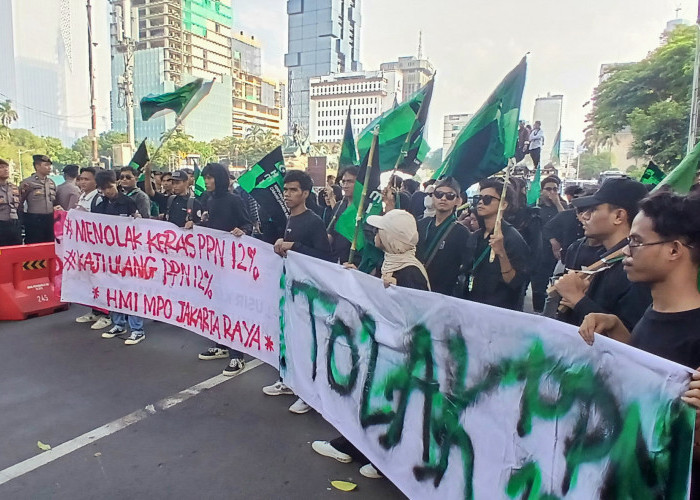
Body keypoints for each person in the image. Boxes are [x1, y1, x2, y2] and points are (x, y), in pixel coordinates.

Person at [577, 191, 700, 496]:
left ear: (674, 250)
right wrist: (620, 334)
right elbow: (655, 374)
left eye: (637, 242)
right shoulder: (655, 311)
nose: (625, 252)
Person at [313, 208, 430, 480]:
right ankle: (360, 448)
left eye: (380, 230)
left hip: (400, 355)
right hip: (387, 351)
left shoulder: (408, 273)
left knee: (384, 405)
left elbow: (417, 314)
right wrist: (361, 279)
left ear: (391, 238)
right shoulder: (395, 264)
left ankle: (379, 457)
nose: (375, 234)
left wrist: (393, 291)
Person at [263, 170, 333, 415]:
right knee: (290, 339)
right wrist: (280, 246)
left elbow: (326, 257)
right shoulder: (290, 218)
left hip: (309, 293)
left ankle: (308, 393)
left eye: (293, 190)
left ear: (305, 193)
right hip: (291, 289)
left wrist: (296, 247)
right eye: (285, 190)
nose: (288, 194)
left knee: (307, 344)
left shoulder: (313, 221)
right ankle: (289, 381)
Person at [554, 177, 651, 330]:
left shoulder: (634, 266)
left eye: (593, 210)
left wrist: (578, 299)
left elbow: (630, 336)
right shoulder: (600, 256)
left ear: (618, 216)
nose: (584, 216)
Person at [195, 163, 253, 376]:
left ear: (219, 178)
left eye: (210, 178)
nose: (207, 182)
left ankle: (237, 356)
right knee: (216, 305)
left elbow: (249, 224)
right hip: (214, 262)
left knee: (232, 309)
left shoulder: (234, 200)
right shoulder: (208, 200)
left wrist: (242, 230)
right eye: (205, 178)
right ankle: (220, 344)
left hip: (232, 264)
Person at [92, 170, 146, 345]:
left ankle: (137, 329)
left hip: (129, 255)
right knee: (113, 290)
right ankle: (118, 323)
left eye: (110, 187)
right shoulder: (101, 204)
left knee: (131, 291)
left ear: (116, 183)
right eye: (104, 189)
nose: (108, 191)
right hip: (110, 255)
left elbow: (142, 225)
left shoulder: (129, 202)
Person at [465, 178, 530, 310]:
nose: (481, 202)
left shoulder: (513, 238)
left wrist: (501, 253)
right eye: (478, 198)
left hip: (498, 311)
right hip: (471, 306)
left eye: (488, 199)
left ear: (504, 204)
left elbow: (514, 282)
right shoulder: (476, 236)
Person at [416, 177, 470, 296]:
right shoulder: (421, 224)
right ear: (433, 197)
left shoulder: (462, 232)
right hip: (416, 288)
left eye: (450, 195)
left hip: (442, 294)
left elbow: (466, 267)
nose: (443, 198)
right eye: (439, 194)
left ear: (458, 201)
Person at [74, 166, 112, 330]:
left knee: (102, 279)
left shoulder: (97, 198)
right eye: (81, 179)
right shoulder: (82, 196)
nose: (82, 182)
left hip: (99, 247)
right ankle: (95, 310)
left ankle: (107, 314)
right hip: (86, 246)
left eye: (86, 179)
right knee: (90, 279)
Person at [531, 175, 565, 312]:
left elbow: (567, 221)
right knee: (539, 288)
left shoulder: (562, 207)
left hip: (558, 256)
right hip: (541, 255)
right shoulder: (537, 209)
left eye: (555, 189)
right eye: (548, 189)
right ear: (542, 191)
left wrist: (557, 203)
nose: (552, 192)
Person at [20, 154, 60, 244]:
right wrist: (22, 220)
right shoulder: (28, 182)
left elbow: (54, 201)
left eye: (50, 165)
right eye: (46, 165)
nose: (49, 167)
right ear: (37, 166)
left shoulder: (51, 182)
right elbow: (20, 202)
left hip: (49, 219)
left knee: (49, 245)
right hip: (34, 220)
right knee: (34, 247)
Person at [327, 166, 358, 264]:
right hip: (337, 261)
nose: (345, 185)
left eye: (350, 181)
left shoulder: (364, 208)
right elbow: (331, 234)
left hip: (355, 264)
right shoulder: (339, 206)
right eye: (343, 182)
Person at [0, 159, 21, 246]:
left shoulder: (13, 187)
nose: (6, 170)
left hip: (14, 224)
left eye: (7, 167)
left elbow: (19, 206)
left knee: (17, 251)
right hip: (1, 224)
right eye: (1, 167)